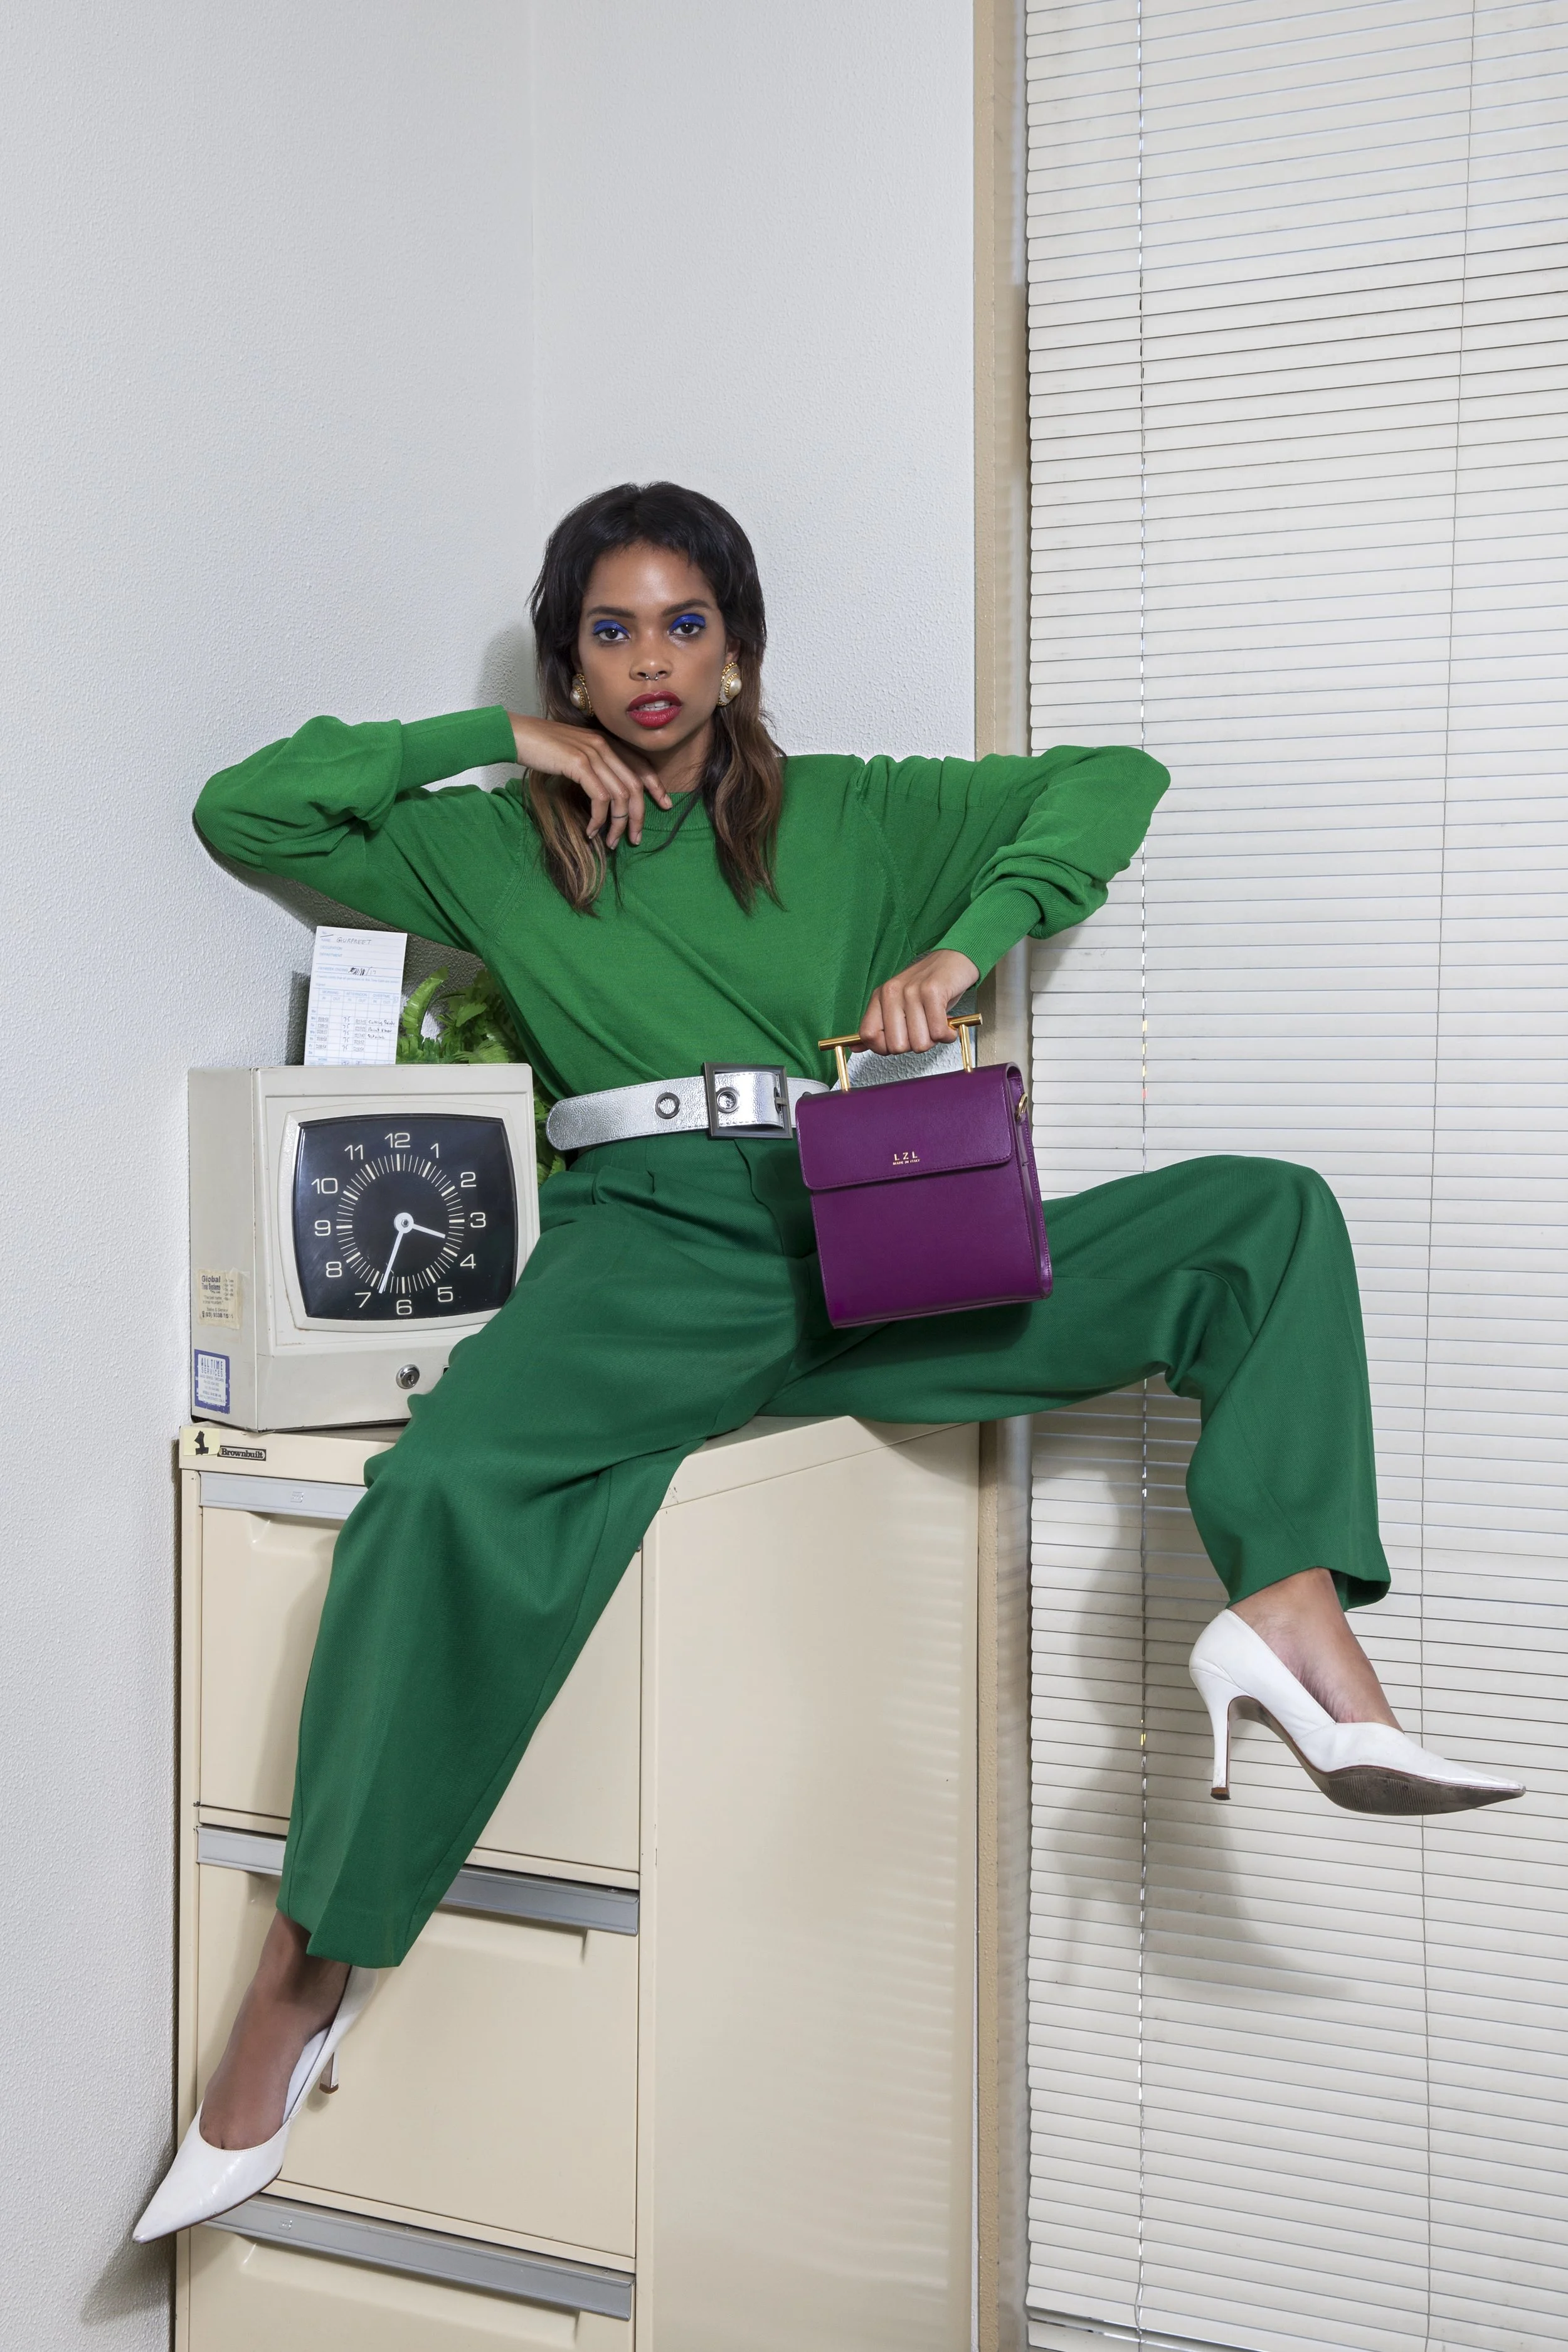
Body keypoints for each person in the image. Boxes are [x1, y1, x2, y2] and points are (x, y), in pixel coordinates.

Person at [135, 480, 1522, 2242]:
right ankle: (308, 1967)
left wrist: (961, 944)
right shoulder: (489, 836)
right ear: (569, 655)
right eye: (610, 631)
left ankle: (1293, 1612)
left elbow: (1111, 786)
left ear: (742, 644)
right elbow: (246, 803)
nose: (650, 662)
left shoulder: (853, 816)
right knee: (438, 1500)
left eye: (685, 622)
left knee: (1260, 1216)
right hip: (642, 1249)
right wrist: (497, 736)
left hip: (867, 1236)